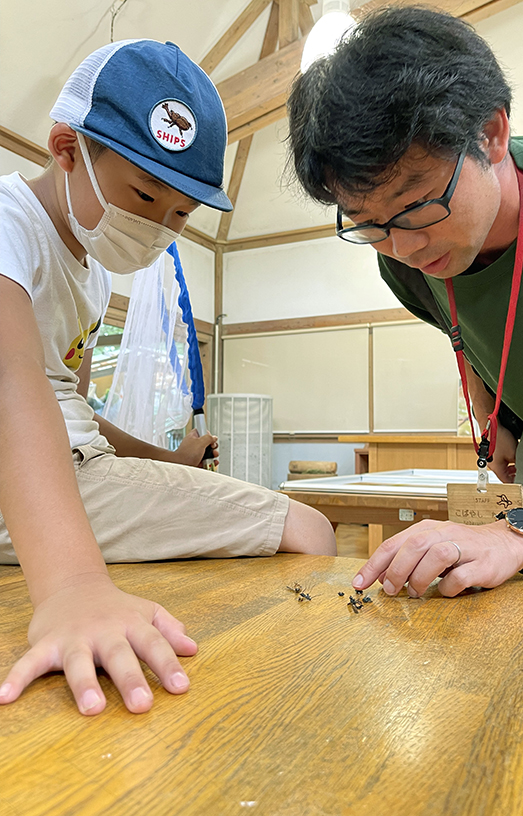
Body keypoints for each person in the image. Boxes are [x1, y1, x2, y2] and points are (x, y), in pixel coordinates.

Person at [0, 39, 336, 717]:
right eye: (144, 195)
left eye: (180, 214)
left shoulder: (92, 274)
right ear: (67, 150)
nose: (157, 227)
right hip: (35, 486)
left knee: (302, 533)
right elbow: (12, 387)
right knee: (310, 530)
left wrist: (167, 457)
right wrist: (71, 586)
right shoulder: (11, 222)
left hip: (75, 469)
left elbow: (73, 411)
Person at [286, 6, 523, 597]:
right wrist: (498, 418)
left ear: (491, 134)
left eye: (417, 205)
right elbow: (466, 332)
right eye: (367, 223)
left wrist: (518, 534)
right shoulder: (402, 257)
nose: (404, 247)